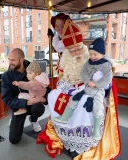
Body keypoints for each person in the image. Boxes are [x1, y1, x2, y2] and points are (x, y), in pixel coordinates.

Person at [37, 19, 120, 160]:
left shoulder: (91, 56)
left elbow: (100, 78)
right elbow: (62, 78)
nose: (76, 52)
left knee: (85, 102)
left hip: (89, 88)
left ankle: (87, 137)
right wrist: (67, 89)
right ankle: (64, 132)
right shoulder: (66, 59)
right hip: (69, 87)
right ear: (67, 50)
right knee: (52, 96)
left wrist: (86, 86)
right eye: (72, 49)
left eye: (78, 48)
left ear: (83, 45)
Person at [54, 37, 113, 141]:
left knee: (98, 107)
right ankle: (65, 117)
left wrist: (95, 84)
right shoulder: (89, 62)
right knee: (74, 98)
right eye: (90, 54)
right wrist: (87, 81)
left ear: (102, 54)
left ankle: (95, 130)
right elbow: (83, 72)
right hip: (87, 87)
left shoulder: (106, 65)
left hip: (98, 90)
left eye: (95, 54)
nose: (92, 56)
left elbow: (107, 78)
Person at [1, 48, 49, 144]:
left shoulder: (34, 69)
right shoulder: (6, 76)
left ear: (21, 60)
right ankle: (15, 119)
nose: (10, 62)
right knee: (14, 140)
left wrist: (44, 99)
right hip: (19, 107)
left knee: (39, 108)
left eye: (13, 60)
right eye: (9, 59)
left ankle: (33, 119)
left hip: (34, 103)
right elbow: (7, 99)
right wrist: (26, 102)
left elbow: (45, 88)